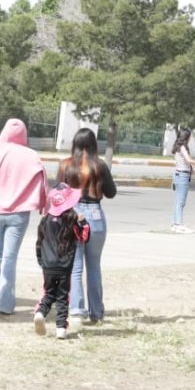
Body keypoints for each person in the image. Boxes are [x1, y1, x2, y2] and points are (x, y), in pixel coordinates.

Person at [0, 118, 47, 315]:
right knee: (9, 257)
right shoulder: (31, 155)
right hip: (19, 214)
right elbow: (42, 181)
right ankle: (4, 303)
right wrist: (43, 207)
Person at [60, 128, 116, 326]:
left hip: (73, 214)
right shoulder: (99, 165)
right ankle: (97, 312)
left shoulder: (66, 165)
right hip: (95, 215)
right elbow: (111, 192)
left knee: (75, 268)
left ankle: (76, 310)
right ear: (93, 145)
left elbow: (59, 192)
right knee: (94, 267)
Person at [33, 183, 90, 339]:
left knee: (49, 294)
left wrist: (41, 260)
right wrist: (83, 223)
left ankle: (40, 312)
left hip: (48, 265)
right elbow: (84, 237)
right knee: (63, 297)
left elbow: (39, 243)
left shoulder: (45, 220)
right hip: (64, 266)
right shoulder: (71, 219)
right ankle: (61, 328)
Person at [170, 128, 195, 233]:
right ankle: (179, 224)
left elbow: (185, 162)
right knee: (181, 202)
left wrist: (192, 169)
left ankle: (174, 223)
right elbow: (189, 160)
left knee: (178, 201)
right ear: (187, 137)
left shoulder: (177, 147)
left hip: (178, 174)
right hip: (182, 176)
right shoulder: (183, 148)